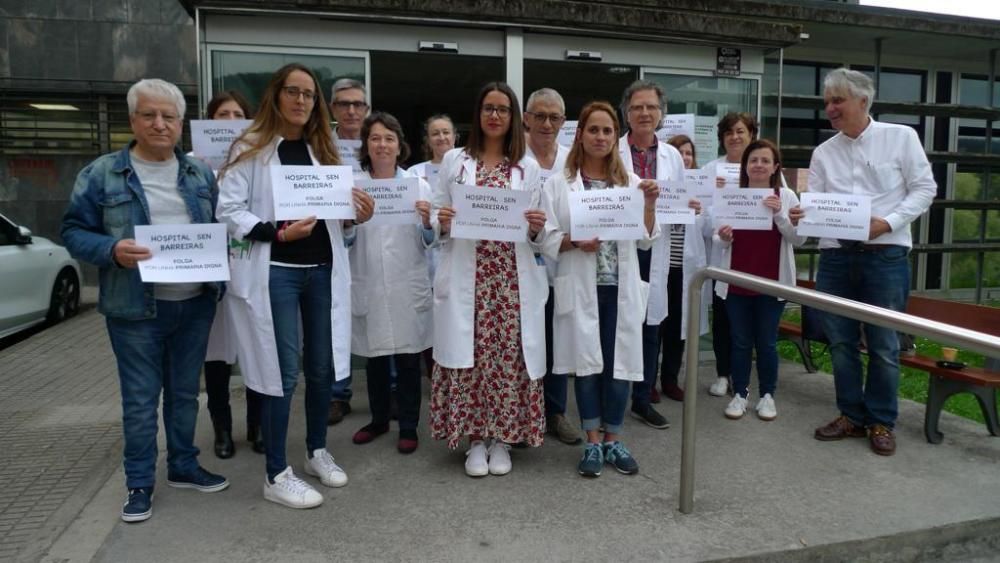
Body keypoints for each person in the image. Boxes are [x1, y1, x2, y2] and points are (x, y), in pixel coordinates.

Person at [62, 78, 228, 523]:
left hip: (194, 302)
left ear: (180, 124)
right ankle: (139, 483)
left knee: (182, 394)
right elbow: (73, 231)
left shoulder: (199, 174)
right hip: (134, 307)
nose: (159, 124)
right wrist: (112, 251)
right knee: (139, 399)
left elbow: (215, 228)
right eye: (149, 115)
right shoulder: (102, 173)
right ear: (133, 119)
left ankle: (182, 464)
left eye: (168, 116)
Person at [216, 63, 375, 508]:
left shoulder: (324, 149)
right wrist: (277, 233)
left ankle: (316, 450)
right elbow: (227, 211)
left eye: (309, 94)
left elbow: (336, 219)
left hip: (322, 268)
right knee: (282, 370)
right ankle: (275, 473)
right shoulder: (250, 147)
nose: (302, 100)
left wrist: (355, 215)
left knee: (322, 367)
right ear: (276, 95)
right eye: (294, 91)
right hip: (276, 271)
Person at [791, 68, 936, 456]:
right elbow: (815, 204)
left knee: (884, 344)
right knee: (839, 342)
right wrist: (800, 215)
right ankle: (851, 415)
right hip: (837, 257)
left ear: (863, 101)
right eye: (827, 102)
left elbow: (926, 188)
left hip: (885, 255)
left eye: (837, 101)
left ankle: (881, 421)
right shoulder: (824, 152)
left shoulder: (901, 138)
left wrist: (887, 222)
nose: (831, 109)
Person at [429, 82, 552, 477]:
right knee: (472, 362)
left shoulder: (528, 168)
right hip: (469, 276)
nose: (495, 115)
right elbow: (434, 211)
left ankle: (502, 439)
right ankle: (475, 440)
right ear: (478, 115)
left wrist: (535, 228)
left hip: (510, 282)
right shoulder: (454, 161)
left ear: (514, 117)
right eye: (488, 108)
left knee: (506, 360)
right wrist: (440, 220)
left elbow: (540, 232)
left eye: (502, 109)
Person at [544, 101, 664, 476]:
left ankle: (614, 438)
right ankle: (592, 441)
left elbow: (645, 240)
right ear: (580, 135)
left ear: (616, 137)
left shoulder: (628, 183)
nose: (600, 136)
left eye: (607, 130)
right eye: (593, 129)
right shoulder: (559, 182)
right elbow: (544, 237)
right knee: (586, 365)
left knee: (619, 365)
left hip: (618, 287)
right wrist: (573, 242)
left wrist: (648, 205)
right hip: (582, 285)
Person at [350, 112, 434, 454]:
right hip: (369, 279)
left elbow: (431, 240)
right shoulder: (353, 186)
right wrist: (349, 222)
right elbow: (343, 239)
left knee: (409, 359)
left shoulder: (419, 186)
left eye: (388, 138)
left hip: (406, 281)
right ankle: (379, 420)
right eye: (375, 138)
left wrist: (428, 223)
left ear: (400, 146)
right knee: (375, 358)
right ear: (366, 145)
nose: (382, 144)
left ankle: (410, 425)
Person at [196, 90, 265, 459]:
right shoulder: (193, 164)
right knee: (217, 356)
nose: (231, 120)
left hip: (247, 265)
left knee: (253, 349)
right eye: (223, 114)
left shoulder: (257, 161)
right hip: (208, 268)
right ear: (210, 120)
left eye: (239, 113)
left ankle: (257, 426)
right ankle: (222, 429)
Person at [714, 139, 805, 420]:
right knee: (740, 341)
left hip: (771, 283)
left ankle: (767, 395)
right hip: (738, 281)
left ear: (775, 166)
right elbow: (719, 237)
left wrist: (778, 214)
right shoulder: (733, 195)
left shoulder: (787, 197)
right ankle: (740, 393)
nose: (759, 165)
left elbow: (798, 239)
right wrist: (724, 238)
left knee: (766, 342)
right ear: (745, 166)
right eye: (753, 160)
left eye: (765, 161)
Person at [617, 80, 690, 430]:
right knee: (616, 325)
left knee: (650, 327)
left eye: (651, 107)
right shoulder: (611, 151)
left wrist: (688, 207)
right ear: (626, 113)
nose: (644, 113)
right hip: (618, 249)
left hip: (655, 250)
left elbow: (678, 202)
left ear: (661, 113)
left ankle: (642, 399)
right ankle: (611, 396)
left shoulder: (672, 156)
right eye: (637, 107)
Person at [523, 87, 579, 445]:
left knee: (557, 342)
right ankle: (524, 413)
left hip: (561, 265)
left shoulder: (572, 162)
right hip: (521, 268)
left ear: (563, 121)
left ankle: (555, 412)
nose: (546, 123)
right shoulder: (514, 159)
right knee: (524, 345)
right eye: (539, 116)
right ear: (526, 118)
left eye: (554, 117)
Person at [704, 112, 759, 398]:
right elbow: (701, 216)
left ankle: (742, 378)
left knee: (747, 323)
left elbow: (779, 207)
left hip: (754, 259)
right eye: (728, 133)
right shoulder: (712, 170)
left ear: (751, 135)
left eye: (740, 131)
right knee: (724, 319)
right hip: (723, 256)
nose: (735, 137)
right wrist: (716, 199)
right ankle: (722, 374)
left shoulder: (762, 167)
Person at [327, 77, 371, 425]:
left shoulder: (378, 142)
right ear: (332, 109)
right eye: (344, 104)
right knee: (335, 319)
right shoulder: (321, 148)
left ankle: (385, 390)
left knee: (377, 313)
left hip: (374, 243)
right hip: (335, 244)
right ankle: (337, 393)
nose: (352, 110)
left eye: (358, 104)